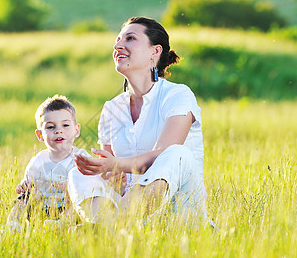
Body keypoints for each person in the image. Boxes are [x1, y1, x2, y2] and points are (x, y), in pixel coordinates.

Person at [68, 16, 213, 227]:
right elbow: (111, 169)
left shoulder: (178, 95)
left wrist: (115, 163)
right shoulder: (112, 108)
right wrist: (107, 172)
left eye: (130, 38)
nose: (118, 45)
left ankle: (113, 228)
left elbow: (163, 154)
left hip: (179, 213)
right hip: (131, 210)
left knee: (176, 153)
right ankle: (110, 228)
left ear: (155, 52)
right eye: (118, 40)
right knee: (78, 175)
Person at [5, 94, 90, 232]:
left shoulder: (81, 158)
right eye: (50, 127)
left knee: (84, 203)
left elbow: (89, 185)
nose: (58, 130)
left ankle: (61, 224)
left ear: (76, 130)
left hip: (68, 207)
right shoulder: (38, 161)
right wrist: (24, 186)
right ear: (40, 135)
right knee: (22, 199)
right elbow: (29, 184)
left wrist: (70, 187)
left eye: (65, 125)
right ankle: (13, 224)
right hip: (43, 207)